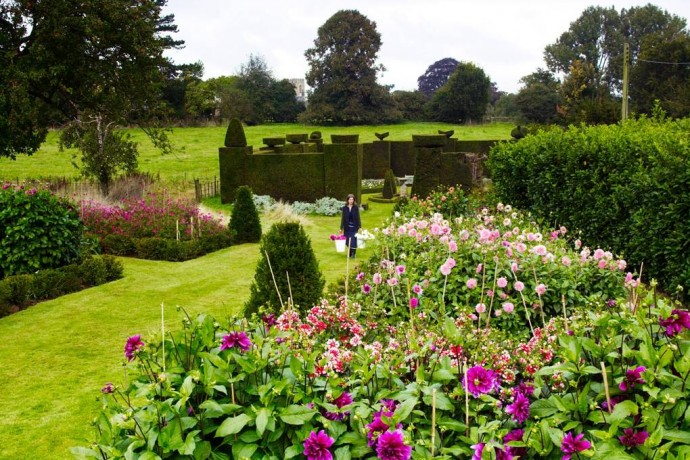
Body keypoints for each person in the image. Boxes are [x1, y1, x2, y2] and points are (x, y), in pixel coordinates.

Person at [340, 194, 361, 258]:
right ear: (347, 200)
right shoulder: (344, 208)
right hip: (347, 227)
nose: (351, 201)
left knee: (353, 241)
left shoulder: (356, 208)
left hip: (354, 227)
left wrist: (360, 226)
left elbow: (358, 217)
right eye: (350, 199)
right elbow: (343, 218)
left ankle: (353, 254)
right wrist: (341, 228)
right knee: (347, 241)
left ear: (354, 200)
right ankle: (349, 252)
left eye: (352, 199)